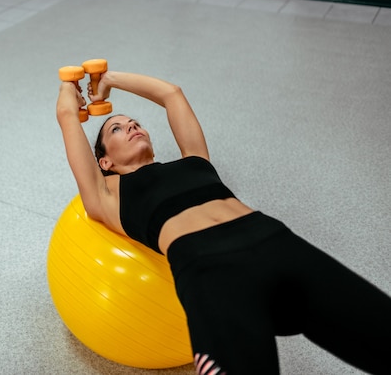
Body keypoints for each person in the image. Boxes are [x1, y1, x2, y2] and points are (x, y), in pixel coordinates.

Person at [55, 69, 391, 375]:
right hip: (211, 273)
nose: (131, 126)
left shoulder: (195, 160)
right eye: (117, 127)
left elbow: (172, 94)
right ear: (105, 160)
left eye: (135, 123)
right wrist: (69, 90)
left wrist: (111, 79)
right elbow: (67, 116)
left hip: (278, 243)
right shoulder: (107, 193)